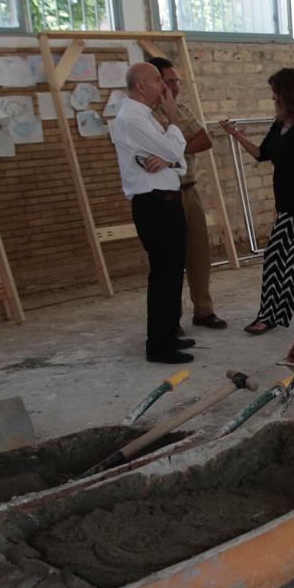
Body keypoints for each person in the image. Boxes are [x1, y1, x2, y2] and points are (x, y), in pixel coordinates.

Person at [219, 68, 294, 335]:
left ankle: (270, 315)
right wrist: (237, 135)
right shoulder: (280, 124)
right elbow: (261, 154)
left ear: (289, 92)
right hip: (286, 205)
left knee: (277, 259)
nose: (273, 97)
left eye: (276, 92)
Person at [110, 62, 193, 364]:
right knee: (164, 275)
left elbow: (177, 163)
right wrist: (172, 121)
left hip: (166, 199)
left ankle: (169, 335)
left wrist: (171, 158)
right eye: (158, 80)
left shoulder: (144, 117)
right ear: (141, 86)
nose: (164, 86)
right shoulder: (133, 118)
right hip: (154, 203)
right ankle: (159, 345)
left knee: (173, 273)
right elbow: (175, 153)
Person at [145, 56, 227, 331]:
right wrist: (175, 148)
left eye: (175, 81)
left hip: (188, 191)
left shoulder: (179, 108)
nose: (174, 87)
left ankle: (203, 310)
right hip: (162, 194)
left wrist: (174, 152)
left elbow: (204, 139)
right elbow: (153, 153)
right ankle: (171, 318)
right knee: (170, 259)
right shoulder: (145, 114)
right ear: (152, 83)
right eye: (167, 81)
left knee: (198, 254)